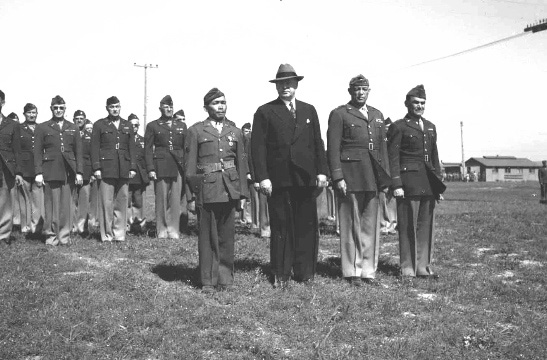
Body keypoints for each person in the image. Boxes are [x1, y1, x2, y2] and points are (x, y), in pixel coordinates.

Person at [251, 64, 328, 289]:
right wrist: (262, 177)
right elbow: (258, 147)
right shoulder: (265, 111)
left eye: (290, 83)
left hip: (305, 179)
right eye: (281, 83)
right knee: (282, 227)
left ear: (296, 85)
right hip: (279, 180)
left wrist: (322, 171)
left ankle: (305, 272)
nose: (286, 87)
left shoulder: (308, 110)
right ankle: (281, 274)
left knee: (306, 226)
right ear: (276, 86)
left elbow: (317, 143)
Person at [326, 74, 391, 286]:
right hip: (350, 176)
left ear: (369, 91)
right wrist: (337, 177)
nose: (360, 93)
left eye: (364, 89)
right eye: (357, 89)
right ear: (350, 91)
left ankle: (368, 271)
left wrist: (386, 178)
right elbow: (333, 148)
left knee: (370, 226)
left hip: (372, 177)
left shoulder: (377, 115)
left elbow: (382, 150)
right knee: (350, 224)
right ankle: (352, 270)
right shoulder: (339, 114)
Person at [186, 88, 249, 293]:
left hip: (229, 189)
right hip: (206, 190)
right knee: (207, 238)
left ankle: (225, 279)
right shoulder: (196, 131)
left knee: (226, 237)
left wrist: (242, 194)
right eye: (215, 103)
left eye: (223, 102)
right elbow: (190, 166)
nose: (220, 106)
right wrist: (191, 196)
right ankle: (207, 280)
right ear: (206, 107)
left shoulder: (235, 131)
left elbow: (241, 164)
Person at [387, 85, 446, 279]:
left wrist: (438, 184)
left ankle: (423, 267)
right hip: (408, 184)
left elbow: (434, 158)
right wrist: (396, 184)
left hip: (428, 184)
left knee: (426, 228)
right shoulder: (399, 126)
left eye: (422, 103)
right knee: (407, 228)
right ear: (407, 104)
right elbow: (392, 157)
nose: (419, 106)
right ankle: (408, 268)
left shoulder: (430, 126)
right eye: (416, 103)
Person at [34, 96, 83, 245]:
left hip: (68, 171)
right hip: (50, 170)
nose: (58, 110)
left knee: (66, 206)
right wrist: (38, 173)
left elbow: (78, 152)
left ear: (65, 109)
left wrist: (79, 172)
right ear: (51, 109)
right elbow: (37, 152)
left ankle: (64, 236)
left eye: (61, 108)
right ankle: (51, 236)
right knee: (51, 206)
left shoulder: (73, 127)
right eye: (56, 108)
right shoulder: (42, 127)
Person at [91, 96, 136, 242]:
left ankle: (119, 234)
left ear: (120, 107)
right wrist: (96, 167)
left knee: (121, 201)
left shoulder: (127, 125)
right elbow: (94, 148)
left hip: (123, 167)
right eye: (112, 107)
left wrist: (132, 167)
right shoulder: (99, 125)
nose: (115, 109)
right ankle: (107, 235)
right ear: (107, 108)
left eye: (117, 106)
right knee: (106, 202)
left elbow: (132, 148)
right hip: (106, 168)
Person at [145, 95, 186, 240]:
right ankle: (161, 229)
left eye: (171, 107)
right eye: (166, 107)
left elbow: (184, 148)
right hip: (160, 165)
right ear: (160, 108)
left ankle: (173, 229)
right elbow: (148, 149)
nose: (169, 109)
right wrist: (150, 168)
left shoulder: (181, 126)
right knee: (161, 199)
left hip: (177, 166)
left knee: (175, 199)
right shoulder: (153, 125)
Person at [17, 103, 44, 237]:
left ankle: (36, 227)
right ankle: (25, 226)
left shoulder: (41, 128)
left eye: (34, 112)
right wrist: (18, 171)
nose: (32, 115)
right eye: (29, 113)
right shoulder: (19, 128)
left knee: (37, 199)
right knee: (24, 199)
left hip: (38, 169)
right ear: (24, 114)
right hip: (24, 169)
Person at [0, 90, 23, 243]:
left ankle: (3, 235)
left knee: (6, 201)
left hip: (6, 168)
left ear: (2, 102)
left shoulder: (12, 125)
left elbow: (17, 150)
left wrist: (19, 172)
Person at [72, 110, 94, 236]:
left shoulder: (89, 135)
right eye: (77, 118)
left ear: (85, 120)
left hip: (86, 172)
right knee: (72, 200)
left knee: (84, 201)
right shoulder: (69, 133)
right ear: (73, 119)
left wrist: (91, 173)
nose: (79, 120)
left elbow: (92, 155)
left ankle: (82, 228)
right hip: (72, 170)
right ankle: (72, 226)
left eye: (81, 118)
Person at [127, 114, 149, 233]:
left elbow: (147, 157)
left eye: (137, 125)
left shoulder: (143, 140)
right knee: (127, 200)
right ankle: (128, 224)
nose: (134, 127)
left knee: (138, 199)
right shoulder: (124, 139)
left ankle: (139, 223)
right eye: (132, 125)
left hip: (140, 176)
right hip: (128, 174)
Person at [379, 118, 397, 235]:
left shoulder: (395, 141)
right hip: (383, 173)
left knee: (392, 200)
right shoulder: (380, 141)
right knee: (382, 200)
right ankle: (382, 225)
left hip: (394, 174)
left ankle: (392, 225)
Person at [174, 109, 191, 234]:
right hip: (174, 169)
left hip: (186, 169)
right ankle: (174, 225)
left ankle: (183, 225)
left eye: (183, 120)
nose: (182, 123)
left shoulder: (188, 133)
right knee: (175, 197)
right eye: (179, 120)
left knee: (185, 198)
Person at [239, 122, 258, 226]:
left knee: (251, 198)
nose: (247, 133)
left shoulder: (250, 140)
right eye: (246, 131)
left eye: (249, 131)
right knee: (244, 196)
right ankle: (244, 218)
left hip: (251, 173)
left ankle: (249, 218)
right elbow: (244, 157)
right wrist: (246, 171)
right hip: (244, 173)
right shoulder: (243, 141)